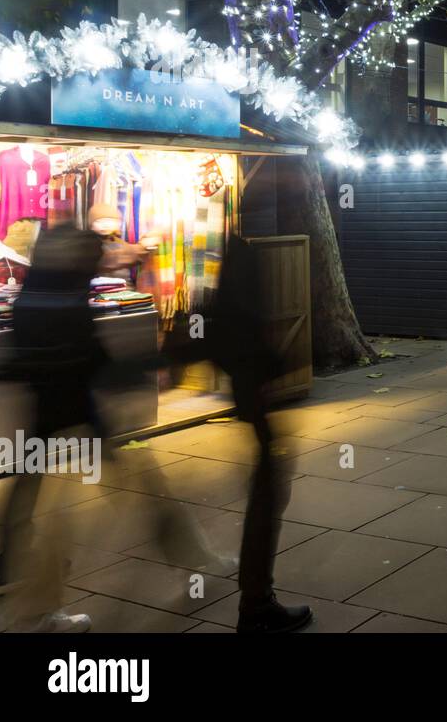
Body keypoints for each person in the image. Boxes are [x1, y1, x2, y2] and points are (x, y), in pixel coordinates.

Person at [167, 235, 312, 632]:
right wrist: (273, 364)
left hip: (251, 391)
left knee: (267, 489)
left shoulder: (232, 244)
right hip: (254, 394)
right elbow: (238, 323)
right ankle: (257, 603)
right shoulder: (240, 247)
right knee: (266, 492)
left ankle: (255, 597)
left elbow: (221, 325)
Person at [0, 227, 107, 632]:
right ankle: (36, 612)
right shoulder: (62, 291)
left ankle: (16, 581)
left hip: (46, 414)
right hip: (63, 416)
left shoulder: (40, 286)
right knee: (53, 519)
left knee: (31, 503)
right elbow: (82, 351)